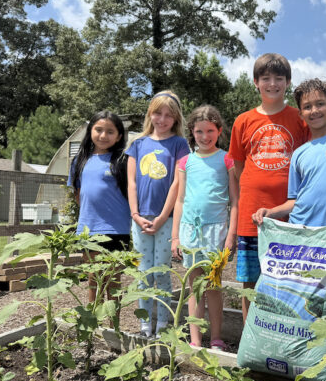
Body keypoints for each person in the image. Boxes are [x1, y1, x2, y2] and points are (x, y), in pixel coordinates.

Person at [252, 78, 326, 370]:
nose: (314, 110)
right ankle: (301, 366)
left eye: (320, 104)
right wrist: (272, 211)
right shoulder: (300, 154)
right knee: (301, 305)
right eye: (307, 106)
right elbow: (296, 201)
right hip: (301, 240)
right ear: (301, 112)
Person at [228, 53, 311, 323]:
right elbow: (239, 167)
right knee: (251, 283)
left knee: (287, 283)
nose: (272, 84)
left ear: (287, 83)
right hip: (252, 216)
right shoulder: (243, 121)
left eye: (279, 78)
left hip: (290, 215)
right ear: (255, 82)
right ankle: (249, 339)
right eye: (266, 78)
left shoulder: (300, 119)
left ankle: (280, 339)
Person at [171, 105, 238, 351]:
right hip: (190, 231)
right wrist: (175, 237)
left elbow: (235, 201)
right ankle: (196, 339)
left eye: (210, 130)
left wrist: (231, 234)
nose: (205, 136)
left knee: (213, 286)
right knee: (193, 288)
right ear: (192, 132)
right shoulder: (185, 161)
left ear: (219, 131)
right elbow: (179, 200)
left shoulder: (226, 158)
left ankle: (217, 337)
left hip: (216, 232)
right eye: (199, 131)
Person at [126, 90, 189, 337]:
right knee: (143, 273)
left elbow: (176, 183)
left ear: (176, 119)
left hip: (166, 220)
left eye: (168, 116)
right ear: (150, 114)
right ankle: (144, 326)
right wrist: (135, 214)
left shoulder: (179, 144)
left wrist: (162, 217)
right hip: (139, 219)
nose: (162, 119)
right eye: (157, 113)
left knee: (162, 272)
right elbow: (131, 182)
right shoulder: (137, 144)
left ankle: (162, 325)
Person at [68, 111, 131, 318]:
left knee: (113, 281)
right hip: (89, 229)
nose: (103, 135)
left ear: (119, 136)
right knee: (93, 279)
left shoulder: (123, 161)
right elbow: (79, 194)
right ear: (90, 131)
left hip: (117, 229)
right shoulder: (79, 161)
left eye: (110, 131)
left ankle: (114, 324)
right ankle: (93, 323)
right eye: (99, 130)